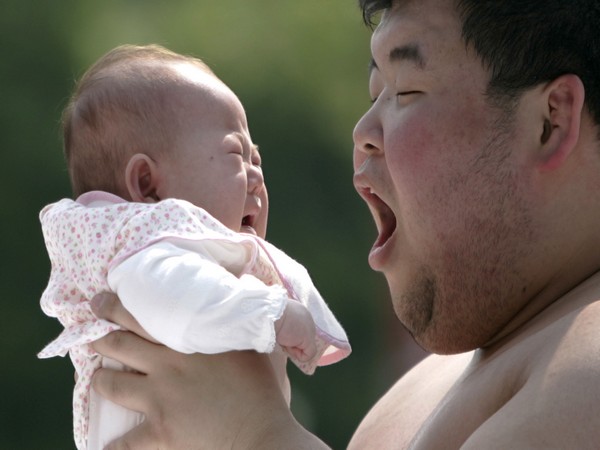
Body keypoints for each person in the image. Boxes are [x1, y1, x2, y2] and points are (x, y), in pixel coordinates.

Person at [88, 0, 600, 448]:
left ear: (550, 121)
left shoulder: (588, 371)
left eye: (405, 91)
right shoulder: (410, 399)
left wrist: (257, 435)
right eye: (374, 91)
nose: (364, 132)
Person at [37, 44, 350, 450]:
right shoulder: (144, 251)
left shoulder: (203, 264)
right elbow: (180, 303)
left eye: (258, 160)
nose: (257, 176)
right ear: (147, 185)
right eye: (236, 154)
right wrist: (271, 314)